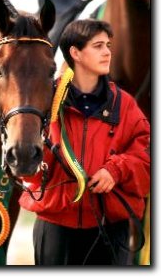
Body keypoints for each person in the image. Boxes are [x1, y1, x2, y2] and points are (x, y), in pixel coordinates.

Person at [19, 19, 150, 265]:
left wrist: (116, 170)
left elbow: (146, 154)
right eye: (98, 45)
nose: (107, 52)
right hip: (55, 228)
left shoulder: (125, 104)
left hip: (111, 228)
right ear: (75, 53)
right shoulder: (45, 101)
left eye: (108, 45)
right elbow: (27, 156)